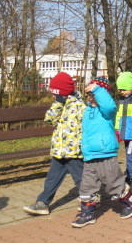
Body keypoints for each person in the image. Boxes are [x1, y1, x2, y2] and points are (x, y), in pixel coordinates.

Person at [71, 77, 132, 228]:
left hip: (105, 153)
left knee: (113, 183)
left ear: (103, 94)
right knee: (87, 185)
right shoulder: (88, 110)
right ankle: (87, 213)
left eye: (94, 95)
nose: (91, 98)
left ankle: (128, 201)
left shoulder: (107, 111)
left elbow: (108, 105)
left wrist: (97, 89)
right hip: (90, 154)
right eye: (89, 95)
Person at [24, 72, 86, 216]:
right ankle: (43, 203)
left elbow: (85, 128)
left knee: (81, 178)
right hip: (59, 150)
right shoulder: (59, 104)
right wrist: (57, 104)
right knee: (52, 178)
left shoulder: (79, 107)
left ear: (63, 93)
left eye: (55, 94)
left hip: (72, 152)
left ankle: (89, 200)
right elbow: (50, 120)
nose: (53, 96)